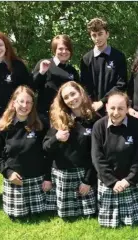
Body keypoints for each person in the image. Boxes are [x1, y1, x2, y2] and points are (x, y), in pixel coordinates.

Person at [0, 86, 50, 219]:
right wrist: (8, 173)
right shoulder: (3, 126)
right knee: (18, 216)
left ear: (33, 104)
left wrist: (47, 177)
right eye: (21, 101)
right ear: (14, 103)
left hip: (37, 180)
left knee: (39, 214)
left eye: (28, 102)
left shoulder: (41, 124)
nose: (24, 105)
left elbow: (49, 153)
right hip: (16, 180)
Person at [43, 81, 98, 219]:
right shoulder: (60, 119)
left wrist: (88, 181)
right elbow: (46, 147)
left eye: (73, 94)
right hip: (63, 175)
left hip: (85, 173)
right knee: (67, 217)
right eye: (66, 97)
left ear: (81, 93)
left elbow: (98, 154)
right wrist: (56, 138)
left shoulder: (95, 119)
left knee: (89, 215)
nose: (71, 99)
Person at [91, 92, 138, 227]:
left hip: (130, 181)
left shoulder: (136, 125)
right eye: (112, 108)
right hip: (108, 181)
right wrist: (112, 182)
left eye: (121, 108)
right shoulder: (99, 126)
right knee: (109, 224)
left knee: (134, 221)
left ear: (128, 108)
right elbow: (97, 157)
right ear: (106, 107)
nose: (116, 112)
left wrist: (128, 180)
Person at [0, 30, 32, 158]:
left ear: (6, 46)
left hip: (16, 115)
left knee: (16, 153)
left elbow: (29, 88)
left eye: (0, 45)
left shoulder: (18, 65)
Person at [80, 18, 128, 116]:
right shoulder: (86, 59)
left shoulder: (118, 56)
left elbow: (121, 84)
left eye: (100, 34)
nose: (97, 38)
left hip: (114, 109)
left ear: (107, 34)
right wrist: (91, 104)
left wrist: (102, 102)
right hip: (93, 109)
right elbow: (84, 86)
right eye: (94, 35)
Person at [32, 34, 79, 127]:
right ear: (54, 50)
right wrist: (41, 72)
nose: (64, 52)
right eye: (60, 49)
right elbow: (31, 87)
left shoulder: (72, 71)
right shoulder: (45, 64)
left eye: (67, 49)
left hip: (65, 116)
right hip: (44, 116)